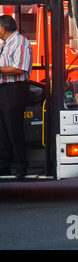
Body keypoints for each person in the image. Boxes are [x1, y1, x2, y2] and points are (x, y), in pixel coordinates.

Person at [0, 15, 33, 178]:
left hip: (15, 89)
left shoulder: (20, 42)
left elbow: (20, 68)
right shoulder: (5, 44)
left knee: (14, 128)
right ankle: (5, 164)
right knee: (2, 130)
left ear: (2, 29)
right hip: (4, 89)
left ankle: (21, 164)